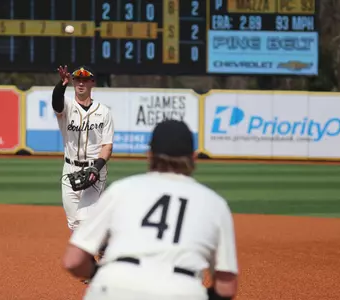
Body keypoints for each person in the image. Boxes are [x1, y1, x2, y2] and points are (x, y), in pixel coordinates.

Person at [61, 119, 239, 300]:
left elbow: (74, 260)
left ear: (149, 155)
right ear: (194, 158)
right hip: (181, 290)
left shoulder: (121, 190)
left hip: (114, 286)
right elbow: (226, 288)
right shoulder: (214, 204)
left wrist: (100, 274)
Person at [52, 65, 114, 266]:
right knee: (73, 222)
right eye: (77, 79)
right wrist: (60, 85)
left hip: (95, 169)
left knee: (86, 218)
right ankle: (103, 245)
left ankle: (92, 262)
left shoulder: (103, 112)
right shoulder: (67, 107)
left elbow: (107, 146)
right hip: (70, 168)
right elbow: (56, 103)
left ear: (92, 82)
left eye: (85, 79)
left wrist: (96, 168)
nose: (80, 82)